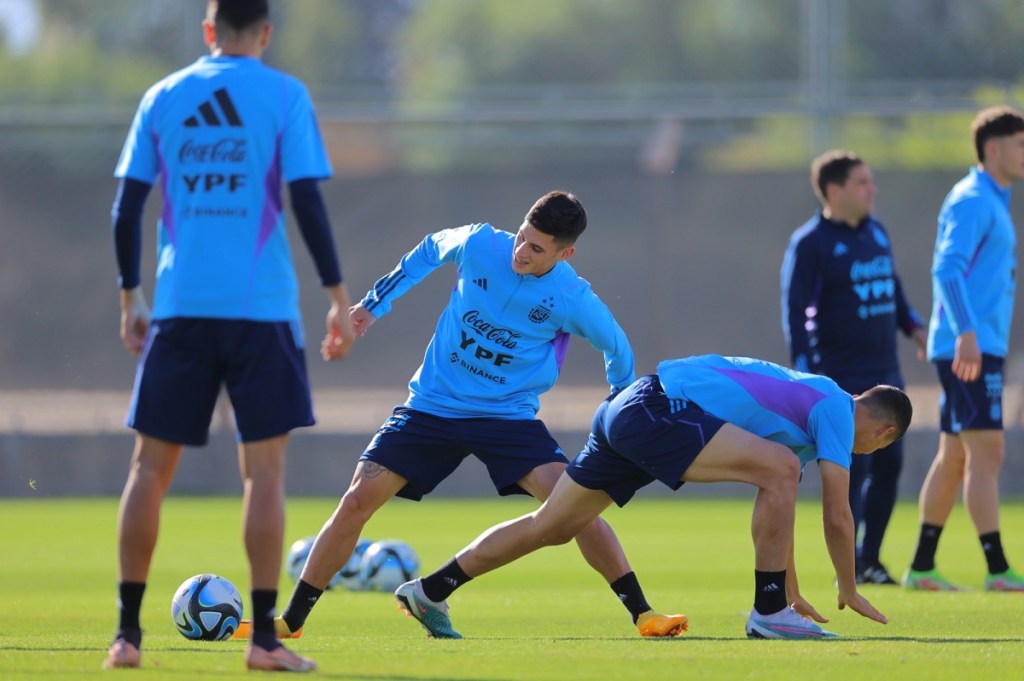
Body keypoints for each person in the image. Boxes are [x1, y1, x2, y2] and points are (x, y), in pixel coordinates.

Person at [237, 190, 688, 654]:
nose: (521, 252)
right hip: (431, 405)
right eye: (522, 238)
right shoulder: (479, 244)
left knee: (575, 508)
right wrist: (372, 306)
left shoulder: (572, 298)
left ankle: (644, 614)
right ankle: (290, 622)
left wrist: (619, 406)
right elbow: (430, 249)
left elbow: (619, 349)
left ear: (565, 253)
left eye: (537, 248)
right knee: (356, 502)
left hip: (507, 417)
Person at [103, 0, 355, 672]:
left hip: (180, 309)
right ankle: (264, 640)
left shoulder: (163, 96)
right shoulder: (284, 95)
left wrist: (132, 295)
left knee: (147, 470)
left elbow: (127, 205)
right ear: (266, 33)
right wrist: (336, 295)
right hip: (263, 311)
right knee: (264, 473)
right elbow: (306, 201)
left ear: (208, 30)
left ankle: (126, 636)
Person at [399, 355, 913, 640]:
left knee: (550, 526)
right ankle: (768, 612)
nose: (864, 452)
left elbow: (777, 510)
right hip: (658, 407)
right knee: (779, 472)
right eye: (877, 446)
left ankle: (431, 590)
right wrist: (848, 586)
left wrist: (794, 591)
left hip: (627, 407)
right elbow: (838, 515)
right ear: (884, 432)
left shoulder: (804, 423)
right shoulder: (837, 412)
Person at [781, 149, 927, 585]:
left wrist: (913, 325)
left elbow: (892, 285)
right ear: (834, 190)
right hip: (842, 378)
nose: (872, 189)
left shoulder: (876, 232)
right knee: (854, 469)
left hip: (886, 372)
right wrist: (804, 372)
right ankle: (849, 563)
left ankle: (870, 558)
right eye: (862, 182)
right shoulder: (810, 243)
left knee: (890, 464)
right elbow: (794, 311)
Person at [904, 105, 1024, 592]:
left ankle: (922, 566)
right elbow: (947, 270)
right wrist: (967, 335)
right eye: (1019, 144)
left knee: (955, 455)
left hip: (976, 342)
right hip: (970, 346)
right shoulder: (973, 199)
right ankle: (998, 570)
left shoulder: (993, 199)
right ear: (992, 149)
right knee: (988, 450)